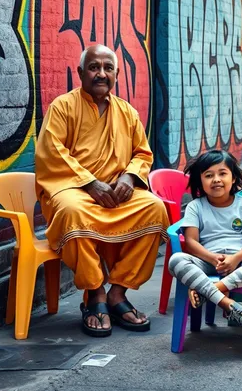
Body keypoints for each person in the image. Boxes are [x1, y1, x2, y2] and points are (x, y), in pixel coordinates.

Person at [35, 44, 169, 337]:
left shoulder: (127, 112)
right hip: (75, 191)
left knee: (155, 209)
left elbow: (142, 154)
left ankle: (117, 293)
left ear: (117, 74)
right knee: (71, 211)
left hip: (117, 195)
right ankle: (95, 294)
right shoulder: (63, 107)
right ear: (81, 72)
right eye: (94, 67)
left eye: (108, 68)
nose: (101, 74)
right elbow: (51, 153)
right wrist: (89, 182)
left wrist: (130, 178)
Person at [168, 150, 242, 329]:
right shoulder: (195, 207)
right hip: (207, 261)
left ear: (233, 178)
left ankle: (208, 291)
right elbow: (191, 241)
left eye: (222, 173)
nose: (216, 179)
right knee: (176, 260)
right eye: (209, 175)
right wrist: (211, 257)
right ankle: (227, 304)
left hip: (240, 263)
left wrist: (236, 259)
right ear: (200, 181)